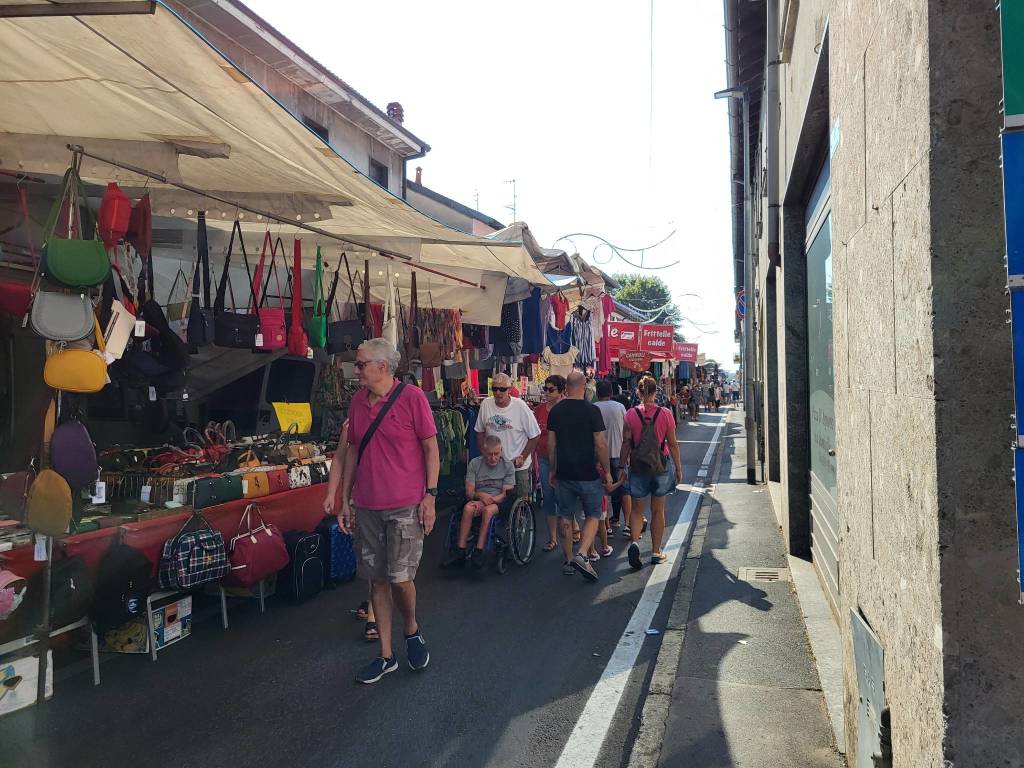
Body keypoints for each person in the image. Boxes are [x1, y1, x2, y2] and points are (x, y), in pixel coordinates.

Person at [333, 338, 440, 685]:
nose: (356, 369)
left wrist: (431, 495)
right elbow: (352, 452)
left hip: (405, 504)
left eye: (361, 364)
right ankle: (385, 654)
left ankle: (411, 629)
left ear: (382, 366)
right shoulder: (357, 403)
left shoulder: (412, 398)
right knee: (375, 579)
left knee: (400, 578)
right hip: (367, 505)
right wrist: (345, 498)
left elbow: (430, 448)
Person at [547, 371, 614, 581]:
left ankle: (568, 560)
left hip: (565, 472)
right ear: (584, 386)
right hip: (588, 473)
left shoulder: (556, 411)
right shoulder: (592, 411)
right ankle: (583, 554)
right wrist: (608, 471)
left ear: (566, 387)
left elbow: (551, 444)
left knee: (565, 515)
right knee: (593, 513)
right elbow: (601, 444)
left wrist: (552, 469)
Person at [621, 375, 683, 569]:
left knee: (637, 510)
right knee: (658, 510)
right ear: (656, 392)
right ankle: (656, 552)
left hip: (638, 466)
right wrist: (678, 468)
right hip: (660, 466)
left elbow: (626, 443)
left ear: (638, 392)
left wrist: (621, 466)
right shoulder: (665, 414)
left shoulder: (630, 414)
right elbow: (672, 444)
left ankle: (635, 543)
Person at [324, 419, 378, 642]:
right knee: (368, 557)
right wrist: (333, 494)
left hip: (385, 501)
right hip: (361, 499)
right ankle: (374, 599)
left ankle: (374, 615)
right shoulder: (352, 423)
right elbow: (340, 458)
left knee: (377, 558)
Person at [443, 435, 514, 571]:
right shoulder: (474, 464)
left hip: (499, 500)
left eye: (496, 454)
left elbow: (506, 495)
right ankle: (460, 550)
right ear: (483, 451)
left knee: (488, 511)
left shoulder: (507, 465)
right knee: (468, 508)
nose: (493, 458)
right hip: (479, 498)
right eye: (489, 454)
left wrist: (490, 500)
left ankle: (479, 550)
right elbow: (469, 492)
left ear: (501, 451)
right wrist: (480, 495)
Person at [475, 372, 541, 500]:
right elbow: (480, 431)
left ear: (510, 390)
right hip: (494, 464)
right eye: (494, 389)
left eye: (502, 389)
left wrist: (523, 456)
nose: (498, 393)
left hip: (516, 465)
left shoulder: (520, 406)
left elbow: (535, 435)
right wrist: (484, 453)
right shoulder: (486, 404)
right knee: (494, 501)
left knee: (520, 500)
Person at [594, 380, 631, 536]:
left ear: (597, 392)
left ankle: (606, 526)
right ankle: (628, 524)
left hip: (598, 457)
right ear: (611, 392)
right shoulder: (620, 407)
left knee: (601, 493)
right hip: (619, 453)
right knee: (624, 490)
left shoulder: (593, 408)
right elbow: (627, 432)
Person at [534, 374, 566, 552]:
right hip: (544, 458)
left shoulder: (566, 409)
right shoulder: (538, 410)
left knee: (564, 496)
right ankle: (553, 538)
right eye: (545, 389)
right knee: (548, 496)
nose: (547, 392)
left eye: (550, 389)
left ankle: (570, 528)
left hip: (563, 459)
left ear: (561, 391)